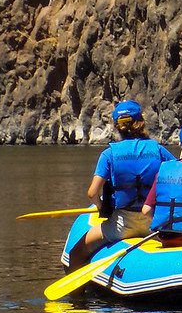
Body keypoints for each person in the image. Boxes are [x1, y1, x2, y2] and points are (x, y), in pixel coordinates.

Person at [67, 100, 175, 269]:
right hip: (154, 222)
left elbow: (92, 193)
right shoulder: (158, 150)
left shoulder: (109, 154)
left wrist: (101, 206)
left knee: (76, 253)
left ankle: (77, 296)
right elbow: (178, 175)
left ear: (117, 126)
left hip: (122, 225)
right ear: (141, 122)